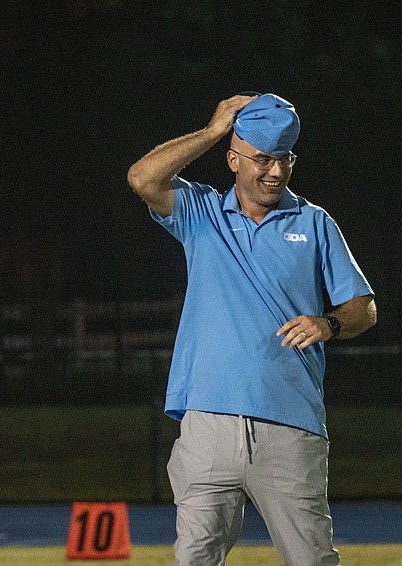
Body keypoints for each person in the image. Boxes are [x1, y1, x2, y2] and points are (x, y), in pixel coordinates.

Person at [126, 92, 377, 565]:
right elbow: (141, 177)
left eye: (284, 159)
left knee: (312, 560)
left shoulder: (315, 223)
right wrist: (212, 128)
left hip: (290, 424)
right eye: (262, 159)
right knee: (195, 560)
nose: (276, 172)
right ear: (233, 159)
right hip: (207, 423)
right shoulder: (200, 213)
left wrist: (328, 323)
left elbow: (364, 308)